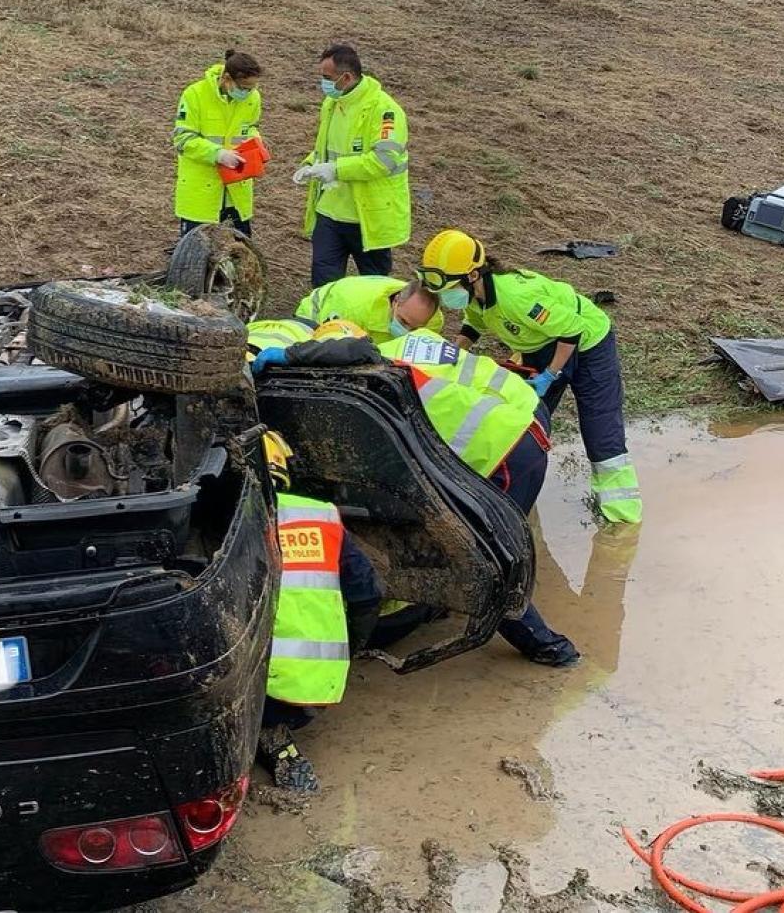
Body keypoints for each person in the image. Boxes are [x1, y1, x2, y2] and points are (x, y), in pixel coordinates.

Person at [249, 324, 579, 667]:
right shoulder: (408, 346)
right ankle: (442, 605)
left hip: (505, 447)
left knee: (487, 556)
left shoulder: (371, 366)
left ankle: (549, 648)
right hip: (523, 409)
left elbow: (356, 356)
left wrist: (290, 356)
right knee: (479, 546)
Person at [420, 229, 641, 524]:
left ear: (472, 275)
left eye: (447, 286)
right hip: (542, 345)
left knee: (600, 428)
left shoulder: (516, 297)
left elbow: (571, 330)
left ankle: (621, 520)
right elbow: (471, 327)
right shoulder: (476, 298)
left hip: (588, 343)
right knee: (523, 422)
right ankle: (519, 495)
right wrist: (447, 358)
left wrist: (551, 374)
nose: (444, 295)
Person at [257, 430, 386, 792]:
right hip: (323, 683)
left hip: (260, 692)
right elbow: (369, 593)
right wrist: (353, 649)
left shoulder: (230, 523)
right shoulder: (323, 516)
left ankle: (269, 735)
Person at [293, 44, 411, 287]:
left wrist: (335, 170)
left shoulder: (384, 111)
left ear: (346, 77)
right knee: (324, 284)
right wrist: (311, 165)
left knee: (373, 286)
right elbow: (326, 148)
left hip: (366, 216)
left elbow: (383, 161)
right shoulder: (332, 103)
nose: (322, 83)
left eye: (327, 77)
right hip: (329, 212)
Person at [172, 51, 263, 238]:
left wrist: (256, 143)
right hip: (201, 191)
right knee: (197, 256)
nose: (248, 93)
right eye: (244, 88)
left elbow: (251, 126)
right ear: (227, 79)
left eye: (252, 88)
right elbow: (183, 139)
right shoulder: (195, 94)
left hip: (236, 189)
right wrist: (218, 154)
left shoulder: (253, 99)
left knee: (239, 254)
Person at [294, 274, 442, 342]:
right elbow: (328, 345)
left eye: (415, 329)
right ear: (396, 301)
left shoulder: (433, 322)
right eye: (403, 322)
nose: (407, 332)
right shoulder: (354, 311)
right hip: (318, 315)